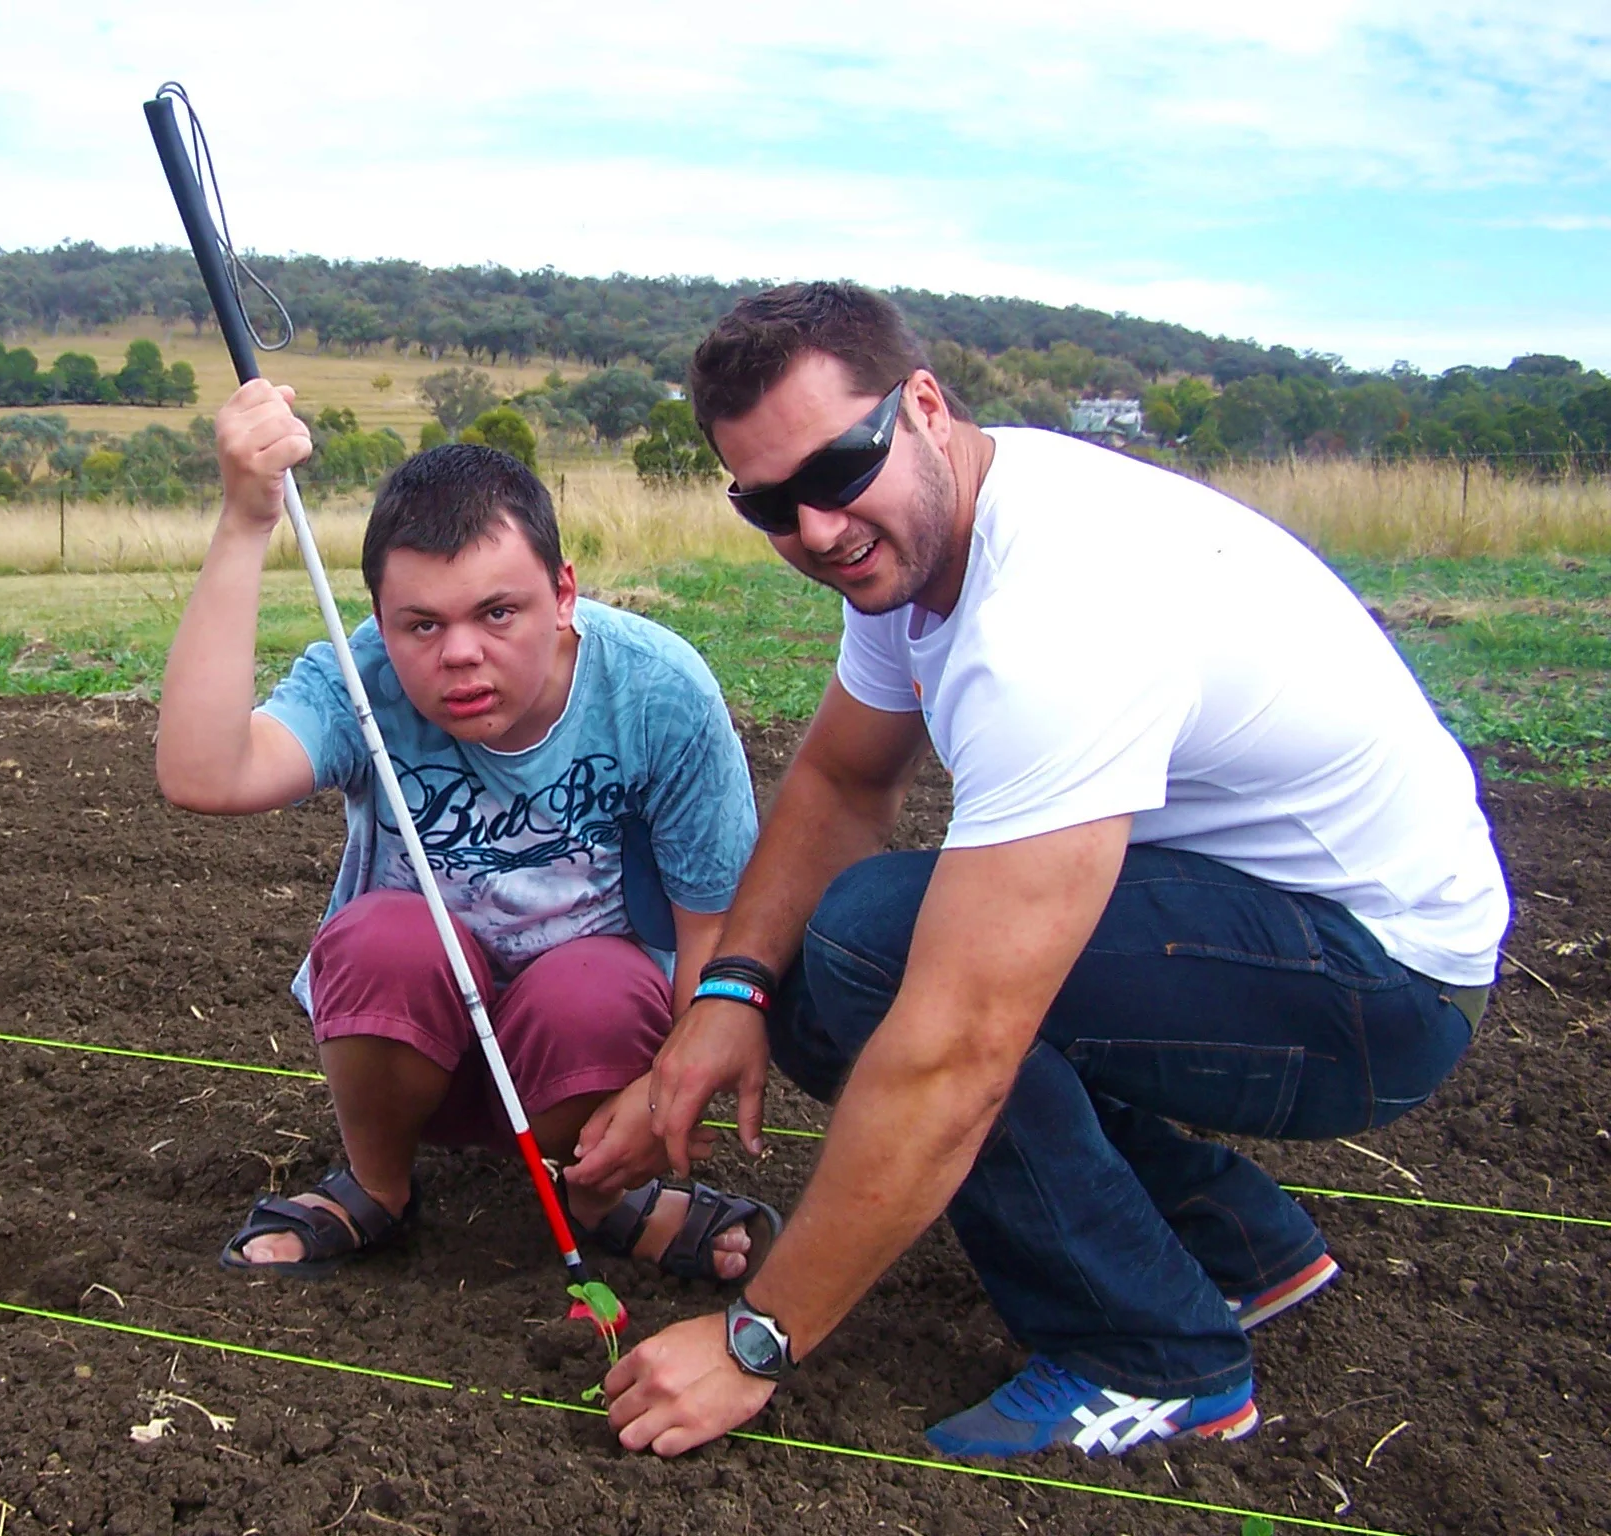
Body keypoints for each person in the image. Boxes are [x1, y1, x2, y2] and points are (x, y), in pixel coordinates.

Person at [602, 283, 1509, 1460]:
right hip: (1263, 920)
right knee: (827, 970)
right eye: (766, 501)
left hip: (1380, 985)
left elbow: (958, 1049)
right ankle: (1234, 1243)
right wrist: (729, 996)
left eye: (833, 470)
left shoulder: (1053, 613)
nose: (813, 530)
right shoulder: (928, 531)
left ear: (922, 407)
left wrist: (752, 1339)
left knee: (875, 952)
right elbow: (839, 782)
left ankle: (1150, 1357)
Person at [156, 380, 779, 1283]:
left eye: (498, 613)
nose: (459, 656)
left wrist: (661, 1103)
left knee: (594, 986)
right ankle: (377, 1184)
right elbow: (203, 773)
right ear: (379, 622)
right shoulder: (362, 679)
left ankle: (601, 1194)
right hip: (417, 1062)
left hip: (590, 1059)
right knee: (380, 937)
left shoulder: (657, 691)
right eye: (422, 624)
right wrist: (246, 522)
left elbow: (712, 929)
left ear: (563, 594)